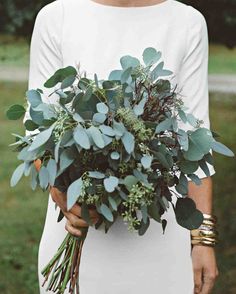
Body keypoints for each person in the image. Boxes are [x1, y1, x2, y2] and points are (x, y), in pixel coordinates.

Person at [27, 0, 219, 293]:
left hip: (161, 246)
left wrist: (202, 238)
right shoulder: (57, 16)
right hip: (78, 235)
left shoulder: (189, 22)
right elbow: (38, 132)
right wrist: (64, 195)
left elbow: (196, 139)